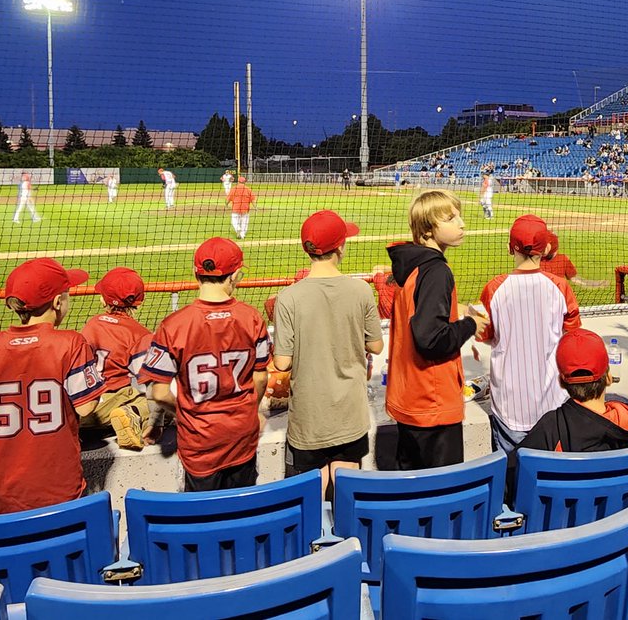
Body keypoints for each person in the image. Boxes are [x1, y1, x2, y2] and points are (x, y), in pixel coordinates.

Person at [0, 258, 102, 514]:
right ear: (57, 303)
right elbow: (87, 407)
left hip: (2, 500)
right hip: (61, 497)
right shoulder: (70, 343)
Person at [140, 238, 270, 490]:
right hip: (241, 436)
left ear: (195, 273)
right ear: (234, 276)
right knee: (242, 511)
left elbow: (159, 393)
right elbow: (261, 378)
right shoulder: (251, 317)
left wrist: (184, 413)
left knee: (203, 518)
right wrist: (249, 411)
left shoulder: (173, 325)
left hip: (199, 444)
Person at [272, 211, 383, 495]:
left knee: (314, 489)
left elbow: (282, 362)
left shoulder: (288, 297)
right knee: (347, 484)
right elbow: (376, 346)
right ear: (340, 247)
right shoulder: (361, 290)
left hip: (309, 413)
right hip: (349, 409)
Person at [385, 190, 489, 470]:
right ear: (429, 230)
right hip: (432, 405)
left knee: (412, 491)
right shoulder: (437, 271)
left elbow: (418, 319)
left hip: (410, 396)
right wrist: (470, 324)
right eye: (451, 218)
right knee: (440, 494)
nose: (462, 223)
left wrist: (457, 314)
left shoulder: (415, 267)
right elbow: (430, 338)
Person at [506, 328, 628, 501]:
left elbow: (509, 482)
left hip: (568, 526)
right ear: (608, 377)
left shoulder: (552, 428)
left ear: (561, 381)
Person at [477, 215, 581, 453]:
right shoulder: (560, 287)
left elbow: (484, 334)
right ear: (545, 249)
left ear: (509, 248)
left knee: (510, 472)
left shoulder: (494, 288)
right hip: (552, 399)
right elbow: (573, 334)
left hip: (508, 403)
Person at [79, 267, 157, 450]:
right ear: (139, 301)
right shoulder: (138, 334)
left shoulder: (92, 324)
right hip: (112, 402)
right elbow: (151, 380)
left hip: (82, 407)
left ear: (102, 299)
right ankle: (132, 414)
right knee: (160, 402)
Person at [541, 232, 606, 289]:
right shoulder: (562, 259)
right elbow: (576, 279)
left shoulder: (534, 259)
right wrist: (596, 284)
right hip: (559, 297)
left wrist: (596, 284)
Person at [226, 175, 256, 240]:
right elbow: (252, 199)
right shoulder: (248, 189)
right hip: (245, 208)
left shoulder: (234, 188)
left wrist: (226, 204)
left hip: (236, 207)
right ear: (244, 182)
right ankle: (242, 235)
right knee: (244, 222)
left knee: (234, 220)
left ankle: (237, 228)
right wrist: (255, 207)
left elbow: (229, 198)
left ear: (238, 182)